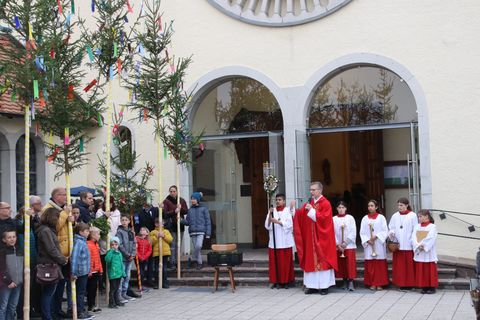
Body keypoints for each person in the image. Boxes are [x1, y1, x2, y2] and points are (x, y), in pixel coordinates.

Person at [293, 181, 337, 295]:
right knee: (311, 261)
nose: (311, 192)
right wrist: (294, 211)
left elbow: (325, 219)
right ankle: (312, 286)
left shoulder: (325, 203)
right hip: (311, 239)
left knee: (323, 260)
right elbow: (301, 215)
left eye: (313, 190)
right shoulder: (310, 203)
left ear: (320, 190)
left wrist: (312, 211)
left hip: (322, 239)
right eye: (310, 190)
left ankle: (324, 286)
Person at [42, 187, 74, 319]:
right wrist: (65, 214)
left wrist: (72, 220)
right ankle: (51, 313)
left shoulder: (63, 209)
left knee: (61, 285)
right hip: (57, 255)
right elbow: (54, 227)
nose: (66, 197)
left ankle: (57, 309)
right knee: (53, 287)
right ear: (55, 196)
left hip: (66, 254)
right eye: (63, 195)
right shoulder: (48, 209)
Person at [36, 207, 69, 320]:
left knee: (49, 293)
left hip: (50, 263)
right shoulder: (45, 231)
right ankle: (47, 316)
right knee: (48, 293)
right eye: (57, 217)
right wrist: (62, 259)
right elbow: (51, 249)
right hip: (48, 264)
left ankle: (49, 315)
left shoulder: (47, 230)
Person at [264, 193, 295, 289]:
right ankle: (275, 280)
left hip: (285, 241)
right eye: (276, 200)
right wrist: (270, 216)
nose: (278, 201)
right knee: (274, 263)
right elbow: (267, 226)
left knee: (285, 263)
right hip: (274, 241)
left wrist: (278, 222)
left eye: (280, 199)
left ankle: (286, 281)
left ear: (284, 201)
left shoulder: (287, 211)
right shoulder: (272, 211)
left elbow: (290, 224)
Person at [388, 197, 418, 290]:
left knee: (408, 267)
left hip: (408, 244)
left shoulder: (412, 215)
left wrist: (412, 241)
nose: (399, 207)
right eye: (398, 205)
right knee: (399, 267)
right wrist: (391, 233)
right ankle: (400, 283)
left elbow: (415, 229)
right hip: (398, 245)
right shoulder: (395, 216)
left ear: (407, 205)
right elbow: (391, 227)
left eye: (401, 205)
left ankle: (410, 284)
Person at [360, 199, 389, 291]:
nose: (370, 207)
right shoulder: (365, 218)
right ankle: (372, 283)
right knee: (370, 264)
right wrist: (368, 240)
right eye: (369, 206)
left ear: (376, 207)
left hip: (378, 243)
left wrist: (376, 237)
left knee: (379, 264)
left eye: (372, 206)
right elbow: (362, 232)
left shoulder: (381, 218)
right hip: (369, 244)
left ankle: (380, 283)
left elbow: (385, 230)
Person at [181, 192, 211, 270]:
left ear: (197, 199)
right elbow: (187, 222)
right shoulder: (190, 210)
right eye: (191, 199)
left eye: (194, 199)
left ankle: (192, 257)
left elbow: (208, 221)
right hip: (192, 232)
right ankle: (199, 263)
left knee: (198, 246)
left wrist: (208, 233)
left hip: (201, 231)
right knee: (197, 248)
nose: (192, 200)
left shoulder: (204, 209)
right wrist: (181, 220)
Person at [333, 201, 357, 291]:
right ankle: (344, 281)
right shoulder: (333, 219)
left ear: (346, 208)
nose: (341, 209)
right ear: (337, 209)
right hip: (338, 246)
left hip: (349, 245)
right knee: (342, 264)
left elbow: (353, 231)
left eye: (343, 207)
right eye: (339, 207)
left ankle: (351, 281)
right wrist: (337, 244)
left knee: (349, 264)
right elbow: (332, 233)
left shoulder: (350, 218)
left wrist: (345, 243)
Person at [412, 209, 438, 294]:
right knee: (421, 269)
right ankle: (424, 286)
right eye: (418, 216)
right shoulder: (417, 226)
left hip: (428, 251)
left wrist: (424, 245)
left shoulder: (432, 226)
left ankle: (431, 287)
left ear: (427, 216)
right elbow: (413, 237)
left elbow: (431, 237)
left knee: (429, 269)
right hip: (420, 250)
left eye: (420, 216)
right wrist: (417, 245)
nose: (419, 218)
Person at [162, 186, 188, 269]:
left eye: (174, 191)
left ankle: (177, 262)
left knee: (178, 245)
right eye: (171, 191)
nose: (172, 193)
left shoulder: (181, 200)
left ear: (177, 192)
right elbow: (165, 213)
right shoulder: (166, 201)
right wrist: (174, 211)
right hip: (171, 226)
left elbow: (186, 210)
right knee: (173, 244)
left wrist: (181, 208)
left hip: (180, 225)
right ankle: (172, 262)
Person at [70, 223, 92, 319]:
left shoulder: (83, 241)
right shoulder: (79, 242)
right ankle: (79, 311)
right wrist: (73, 272)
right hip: (80, 272)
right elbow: (74, 258)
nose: (88, 233)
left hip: (84, 271)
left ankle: (81, 309)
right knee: (80, 292)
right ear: (81, 232)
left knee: (82, 291)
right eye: (86, 231)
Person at [0, 229, 23, 320]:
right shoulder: (2, 252)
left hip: (18, 283)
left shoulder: (20, 250)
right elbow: (2, 269)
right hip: (7, 284)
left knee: (13, 306)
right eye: (9, 237)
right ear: (4, 240)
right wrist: (8, 281)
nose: (12, 239)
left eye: (13, 237)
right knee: (3, 306)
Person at [116, 214, 137, 302]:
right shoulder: (119, 232)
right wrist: (127, 255)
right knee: (122, 276)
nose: (124, 222)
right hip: (123, 257)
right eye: (123, 220)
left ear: (129, 221)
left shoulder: (131, 232)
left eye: (126, 220)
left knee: (127, 276)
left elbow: (134, 244)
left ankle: (125, 293)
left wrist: (133, 254)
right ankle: (119, 294)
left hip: (130, 258)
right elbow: (120, 245)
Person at [150, 218, 173, 289]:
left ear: (163, 224)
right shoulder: (153, 232)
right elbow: (150, 242)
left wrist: (164, 236)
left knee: (164, 269)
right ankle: (156, 283)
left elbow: (170, 240)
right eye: (158, 223)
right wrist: (157, 236)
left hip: (165, 252)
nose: (160, 224)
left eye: (161, 223)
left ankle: (165, 283)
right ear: (155, 224)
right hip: (157, 253)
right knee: (157, 269)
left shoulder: (166, 231)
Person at [105, 236, 126, 309]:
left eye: (116, 244)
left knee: (117, 288)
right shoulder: (110, 252)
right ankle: (111, 303)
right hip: (113, 274)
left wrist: (123, 273)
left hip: (118, 274)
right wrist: (111, 251)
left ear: (118, 245)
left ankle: (117, 301)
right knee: (113, 289)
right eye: (112, 245)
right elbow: (107, 260)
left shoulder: (119, 253)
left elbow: (121, 264)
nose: (114, 246)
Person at [86, 227, 103, 313]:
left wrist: (100, 269)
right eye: (98, 234)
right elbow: (89, 259)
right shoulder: (88, 244)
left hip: (96, 270)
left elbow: (98, 258)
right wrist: (89, 270)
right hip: (91, 271)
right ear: (92, 235)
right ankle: (90, 305)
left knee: (93, 289)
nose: (99, 236)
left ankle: (92, 305)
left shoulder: (96, 244)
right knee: (90, 289)